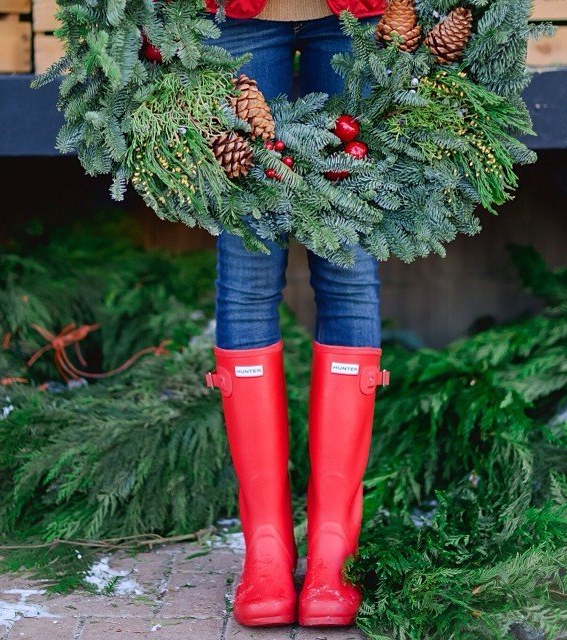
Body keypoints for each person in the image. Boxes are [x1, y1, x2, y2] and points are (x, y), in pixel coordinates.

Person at [203, 0, 390, 628]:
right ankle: (267, 550)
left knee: (346, 260)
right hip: (236, 15)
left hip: (356, 15)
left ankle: (333, 547)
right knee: (248, 258)